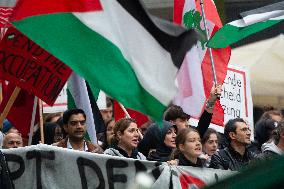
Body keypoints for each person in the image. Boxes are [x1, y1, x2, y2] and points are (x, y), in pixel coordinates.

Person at [138, 84, 222, 156]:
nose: (186, 124)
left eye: (187, 120)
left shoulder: (188, 138)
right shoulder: (155, 134)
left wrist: (211, 101)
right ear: (171, 122)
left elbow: (203, 125)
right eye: (182, 121)